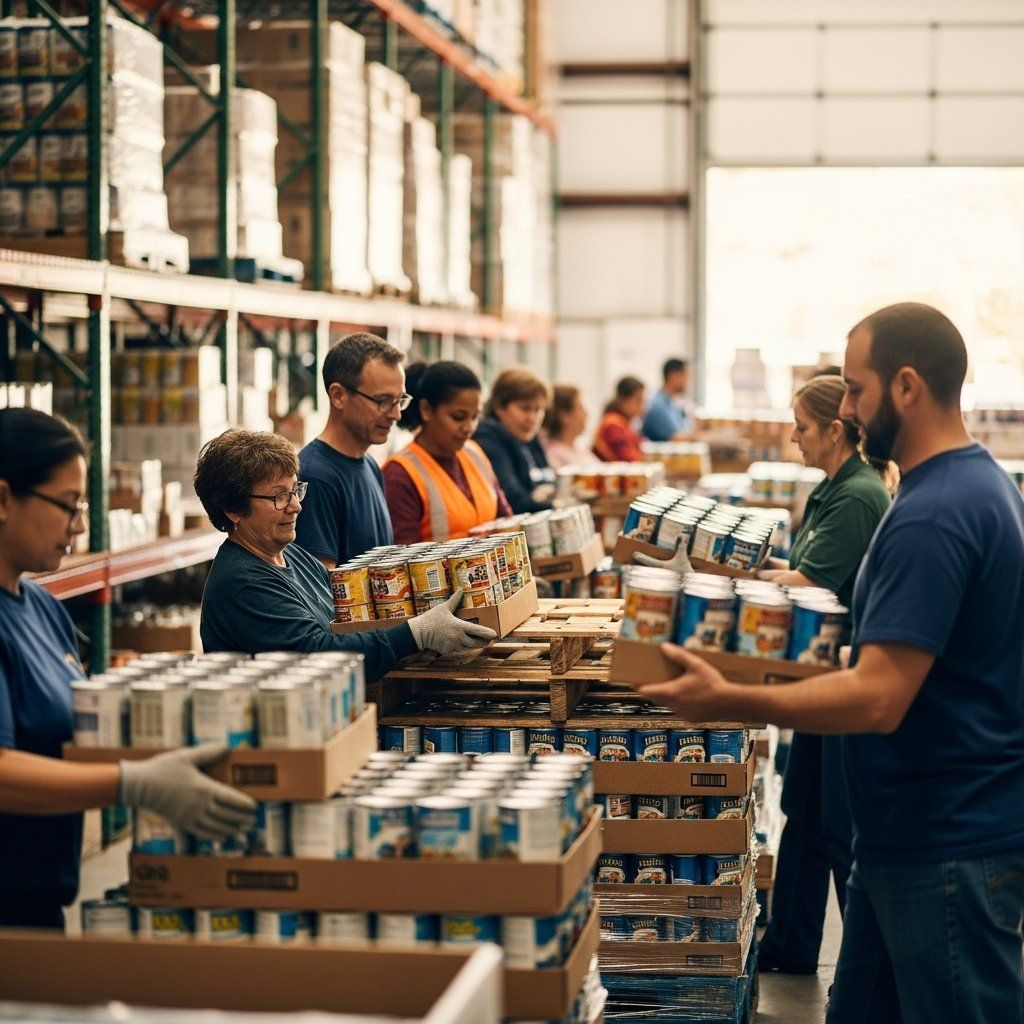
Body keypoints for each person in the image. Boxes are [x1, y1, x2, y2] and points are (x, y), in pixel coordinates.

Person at [629, 302, 1024, 1024]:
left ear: (906, 386)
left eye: (854, 388)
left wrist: (733, 698)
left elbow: (879, 697)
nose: (845, 407)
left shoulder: (936, 512)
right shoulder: (970, 486)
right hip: (900, 834)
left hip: (944, 841)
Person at [0, 409, 256, 931]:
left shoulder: (42, 608)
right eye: (67, 505)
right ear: (4, 499)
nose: (80, 525)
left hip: (37, 899)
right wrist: (133, 782)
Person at [757, 375, 891, 975]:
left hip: (845, 676)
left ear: (835, 430)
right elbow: (807, 566)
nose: (793, 437)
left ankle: (865, 976)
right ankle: (788, 946)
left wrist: (738, 579)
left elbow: (813, 584)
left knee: (837, 826)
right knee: (806, 815)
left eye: (803, 428)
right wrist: (765, 567)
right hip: (818, 678)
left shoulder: (858, 495)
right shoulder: (831, 490)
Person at [196, 429, 495, 675]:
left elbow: (346, 625)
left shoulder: (294, 555)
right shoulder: (243, 582)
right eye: (279, 496)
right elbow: (317, 655)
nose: (296, 506)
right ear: (232, 509)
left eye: (296, 490)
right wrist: (415, 634)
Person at [294, 333, 406, 569]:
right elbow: (320, 589)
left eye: (399, 401)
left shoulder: (370, 465)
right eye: (384, 401)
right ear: (339, 396)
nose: (396, 414)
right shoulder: (316, 477)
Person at [382, 362, 512, 544]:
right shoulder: (400, 474)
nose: (468, 428)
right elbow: (404, 559)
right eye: (458, 417)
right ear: (426, 410)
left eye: (474, 417)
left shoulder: (474, 453)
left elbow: (506, 520)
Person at [473, 367, 555, 514]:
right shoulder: (487, 441)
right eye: (525, 409)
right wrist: (560, 504)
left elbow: (549, 483)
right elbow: (515, 501)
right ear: (499, 406)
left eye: (538, 410)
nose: (533, 418)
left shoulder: (530, 438)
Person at [593, 376, 646, 462]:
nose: (642, 406)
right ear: (623, 400)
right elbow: (630, 460)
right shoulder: (613, 425)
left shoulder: (624, 422)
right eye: (638, 400)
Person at [642, 358, 694, 442]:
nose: (690, 381)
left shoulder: (672, 403)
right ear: (673, 376)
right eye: (687, 376)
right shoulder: (657, 405)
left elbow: (686, 430)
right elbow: (675, 438)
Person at [541, 385, 593, 470]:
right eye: (580, 408)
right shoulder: (553, 455)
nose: (586, 414)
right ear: (564, 415)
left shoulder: (580, 448)